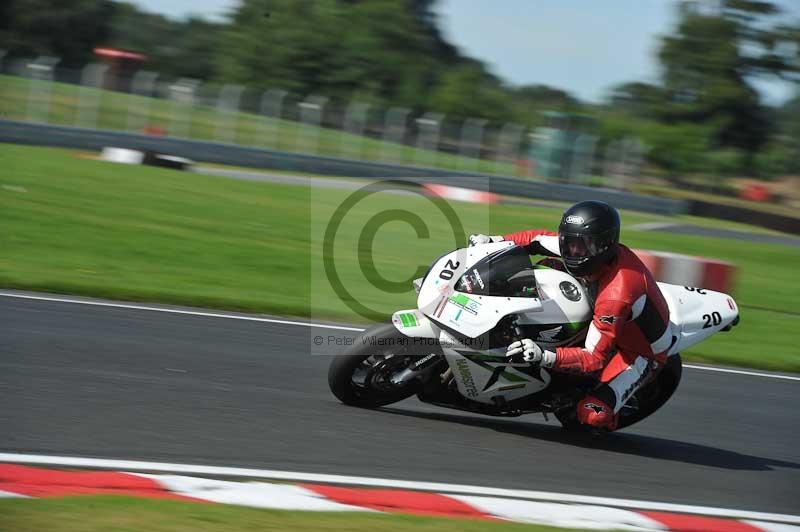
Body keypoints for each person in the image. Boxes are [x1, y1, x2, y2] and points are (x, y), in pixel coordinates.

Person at [469, 200, 673, 431]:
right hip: (599, 302)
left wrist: (543, 355)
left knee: (591, 415)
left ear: (604, 245)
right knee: (544, 269)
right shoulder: (583, 247)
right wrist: (495, 241)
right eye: (568, 242)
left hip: (639, 352)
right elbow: (535, 240)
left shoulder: (616, 295)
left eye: (582, 246)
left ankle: (607, 412)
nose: (573, 251)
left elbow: (593, 358)